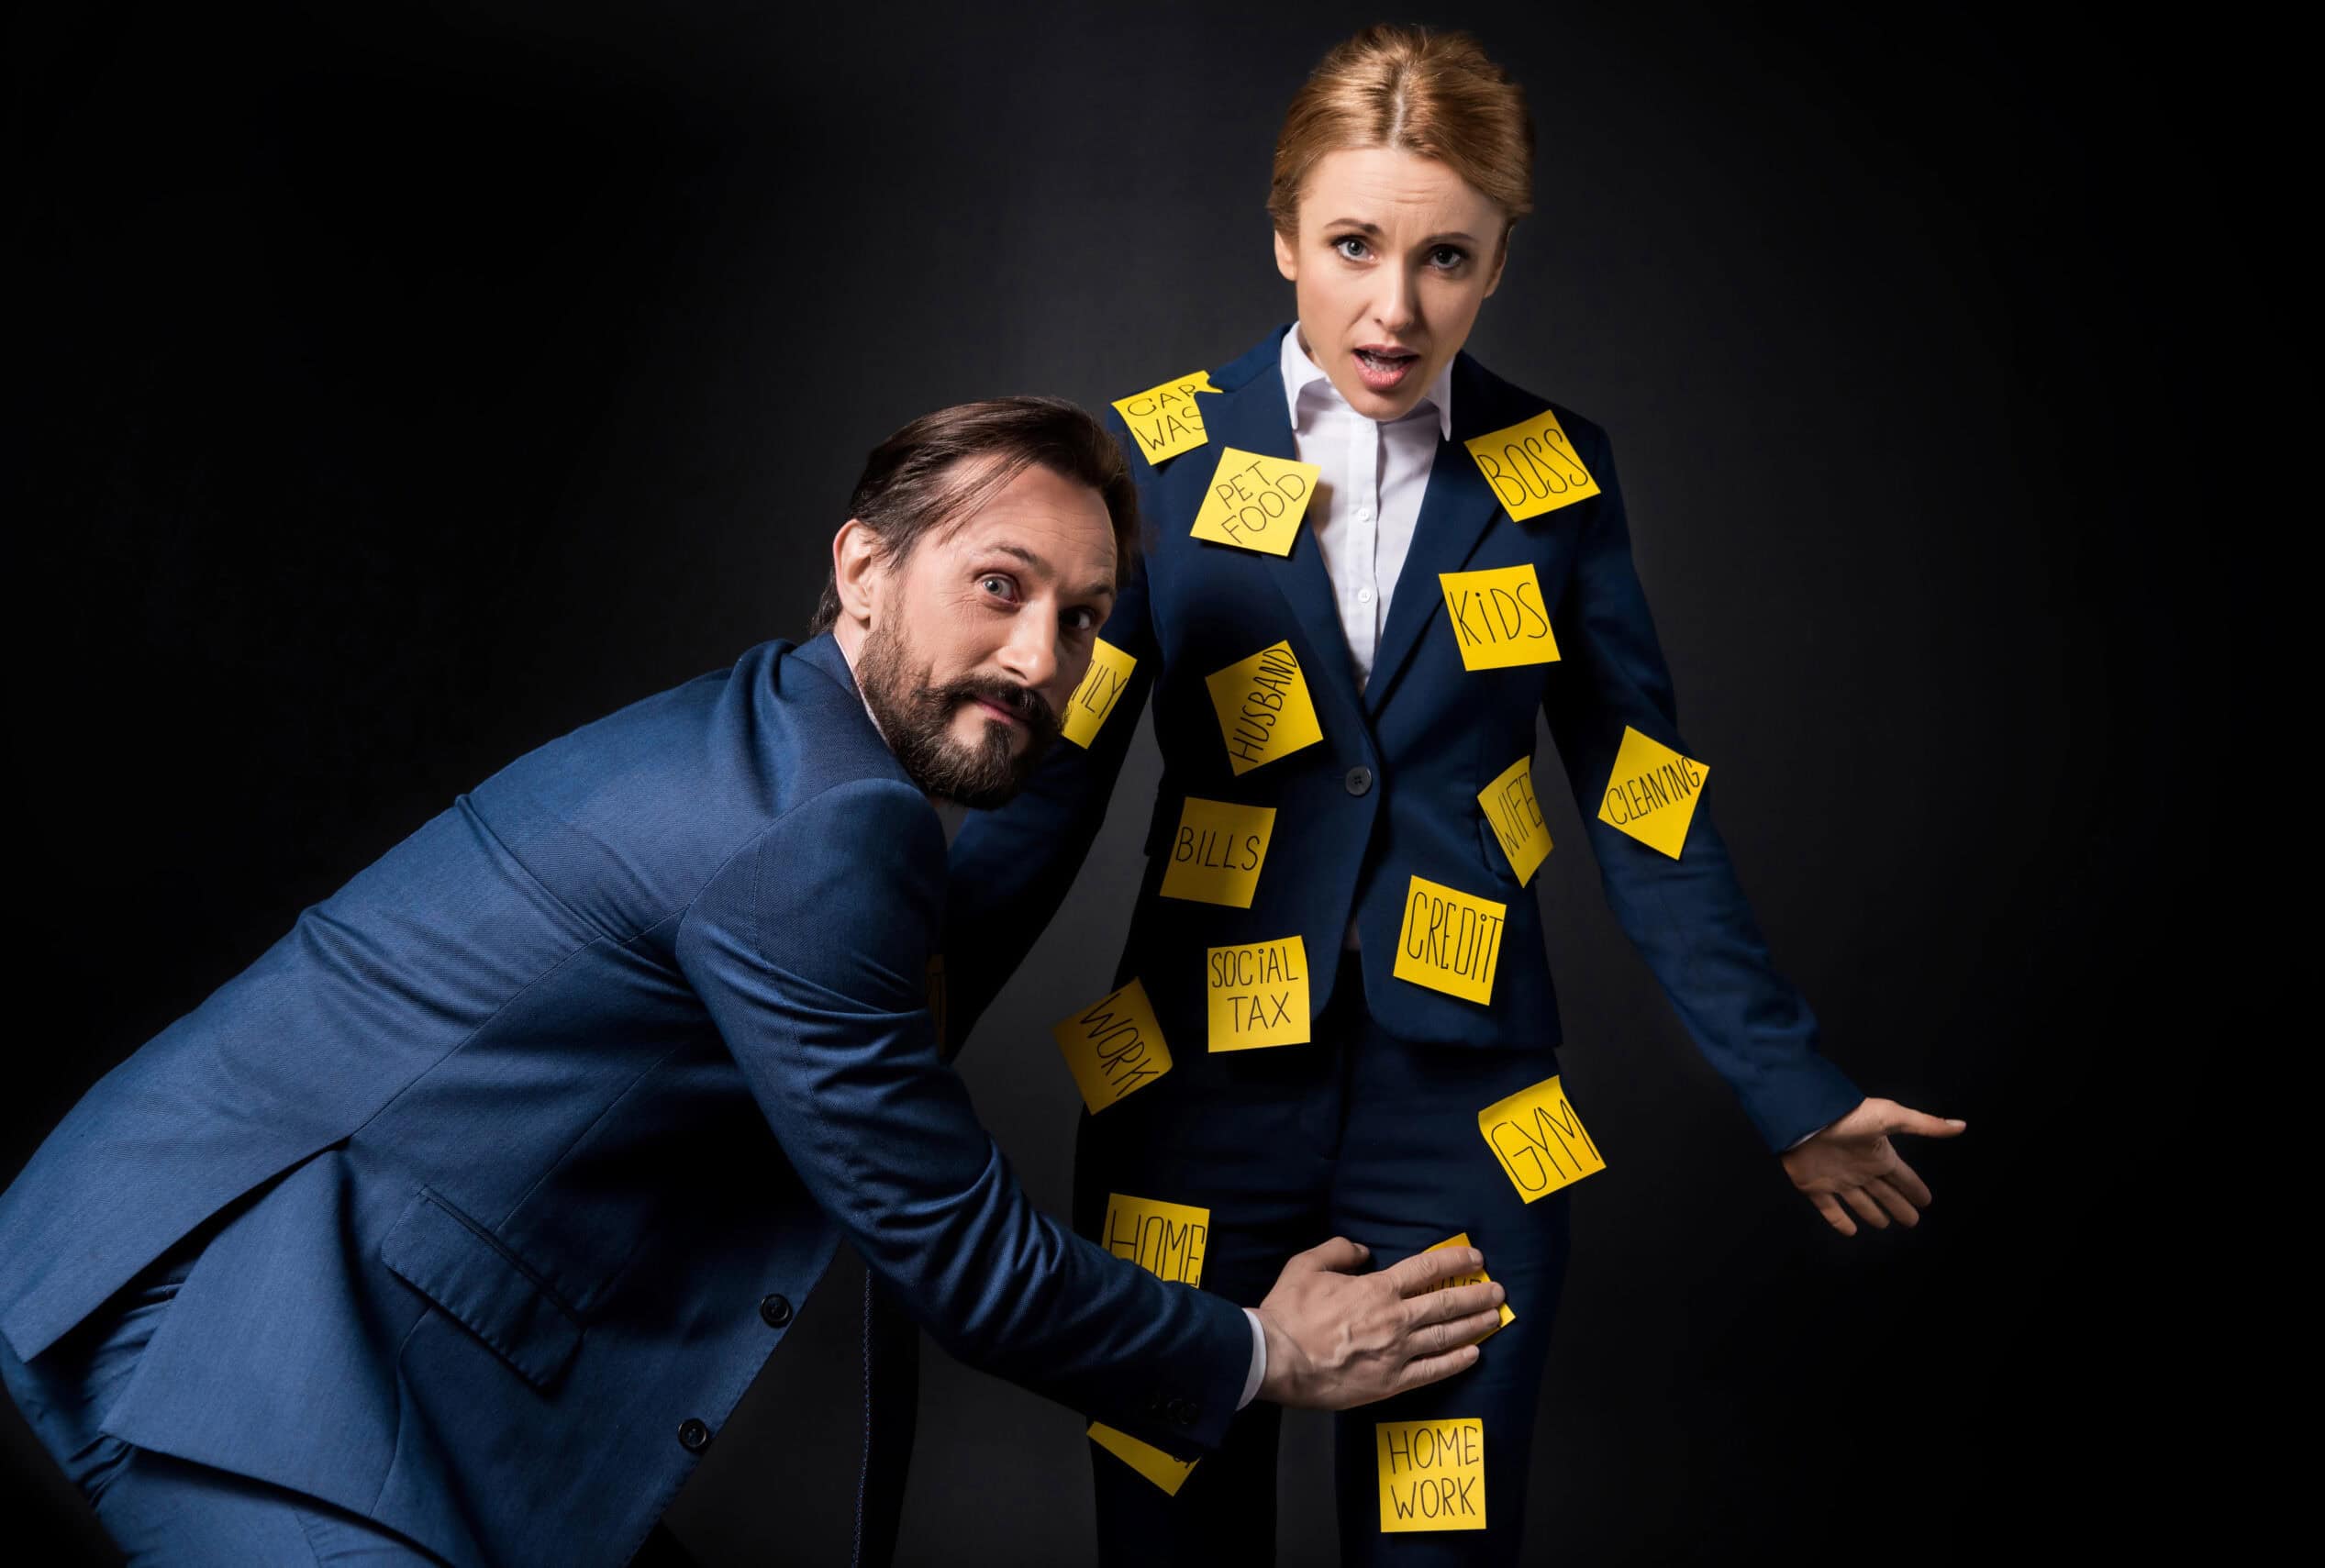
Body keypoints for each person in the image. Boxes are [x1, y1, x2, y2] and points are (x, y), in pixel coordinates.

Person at [0, 395, 1505, 1568]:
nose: (1039, 654)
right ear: (862, 564)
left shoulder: (806, 748)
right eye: (999, 585)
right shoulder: (816, 824)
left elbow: (912, 1036)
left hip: (361, 1326)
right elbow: (960, 1251)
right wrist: (1270, 1352)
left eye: (1085, 618)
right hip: (236, 1331)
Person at [943, 27, 1967, 1565]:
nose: (1394, 305)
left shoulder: (1561, 471)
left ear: (1499, 265)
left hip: (1468, 1121)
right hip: (1192, 1106)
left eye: (1447, 258)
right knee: (1169, 1536)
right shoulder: (1151, 457)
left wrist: (1791, 1085)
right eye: (1353, 244)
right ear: (1284, 231)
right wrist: (871, 1046)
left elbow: (1642, 793)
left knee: (1444, 1544)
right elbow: (1048, 799)